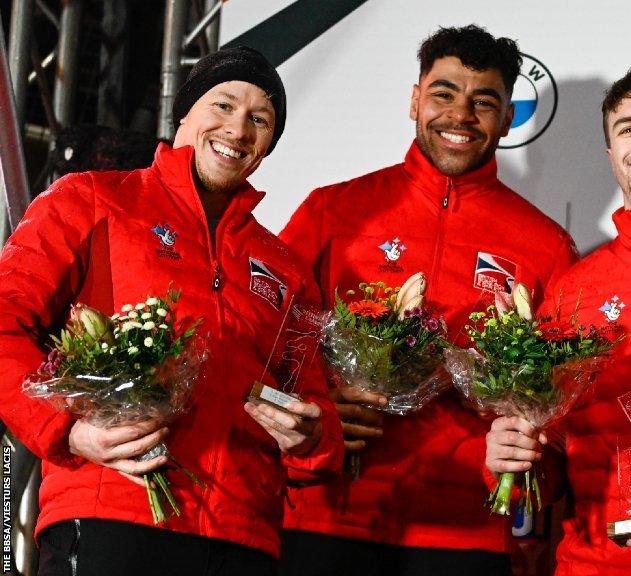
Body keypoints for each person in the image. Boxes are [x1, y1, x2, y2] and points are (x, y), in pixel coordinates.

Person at [0, 46, 343, 576]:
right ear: (184, 112)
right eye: (223, 105)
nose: (238, 129)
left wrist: (312, 437)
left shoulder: (286, 268)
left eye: (259, 119)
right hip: (111, 515)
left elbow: (312, 403)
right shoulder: (90, 200)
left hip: (244, 539)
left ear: (269, 144)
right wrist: (67, 431)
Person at [278, 25, 577, 576]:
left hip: (463, 534)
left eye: (483, 101)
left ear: (508, 118)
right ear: (415, 99)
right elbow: (268, 339)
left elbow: (559, 412)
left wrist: (527, 451)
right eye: (444, 93)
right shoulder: (334, 210)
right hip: (326, 518)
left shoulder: (545, 245)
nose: (461, 115)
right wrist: (316, 405)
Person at [485, 67, 631, 576]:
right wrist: (516, 457)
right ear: (612, 157)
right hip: (597, 559)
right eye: (627, 128)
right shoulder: (575, 287)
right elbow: (554, 448)